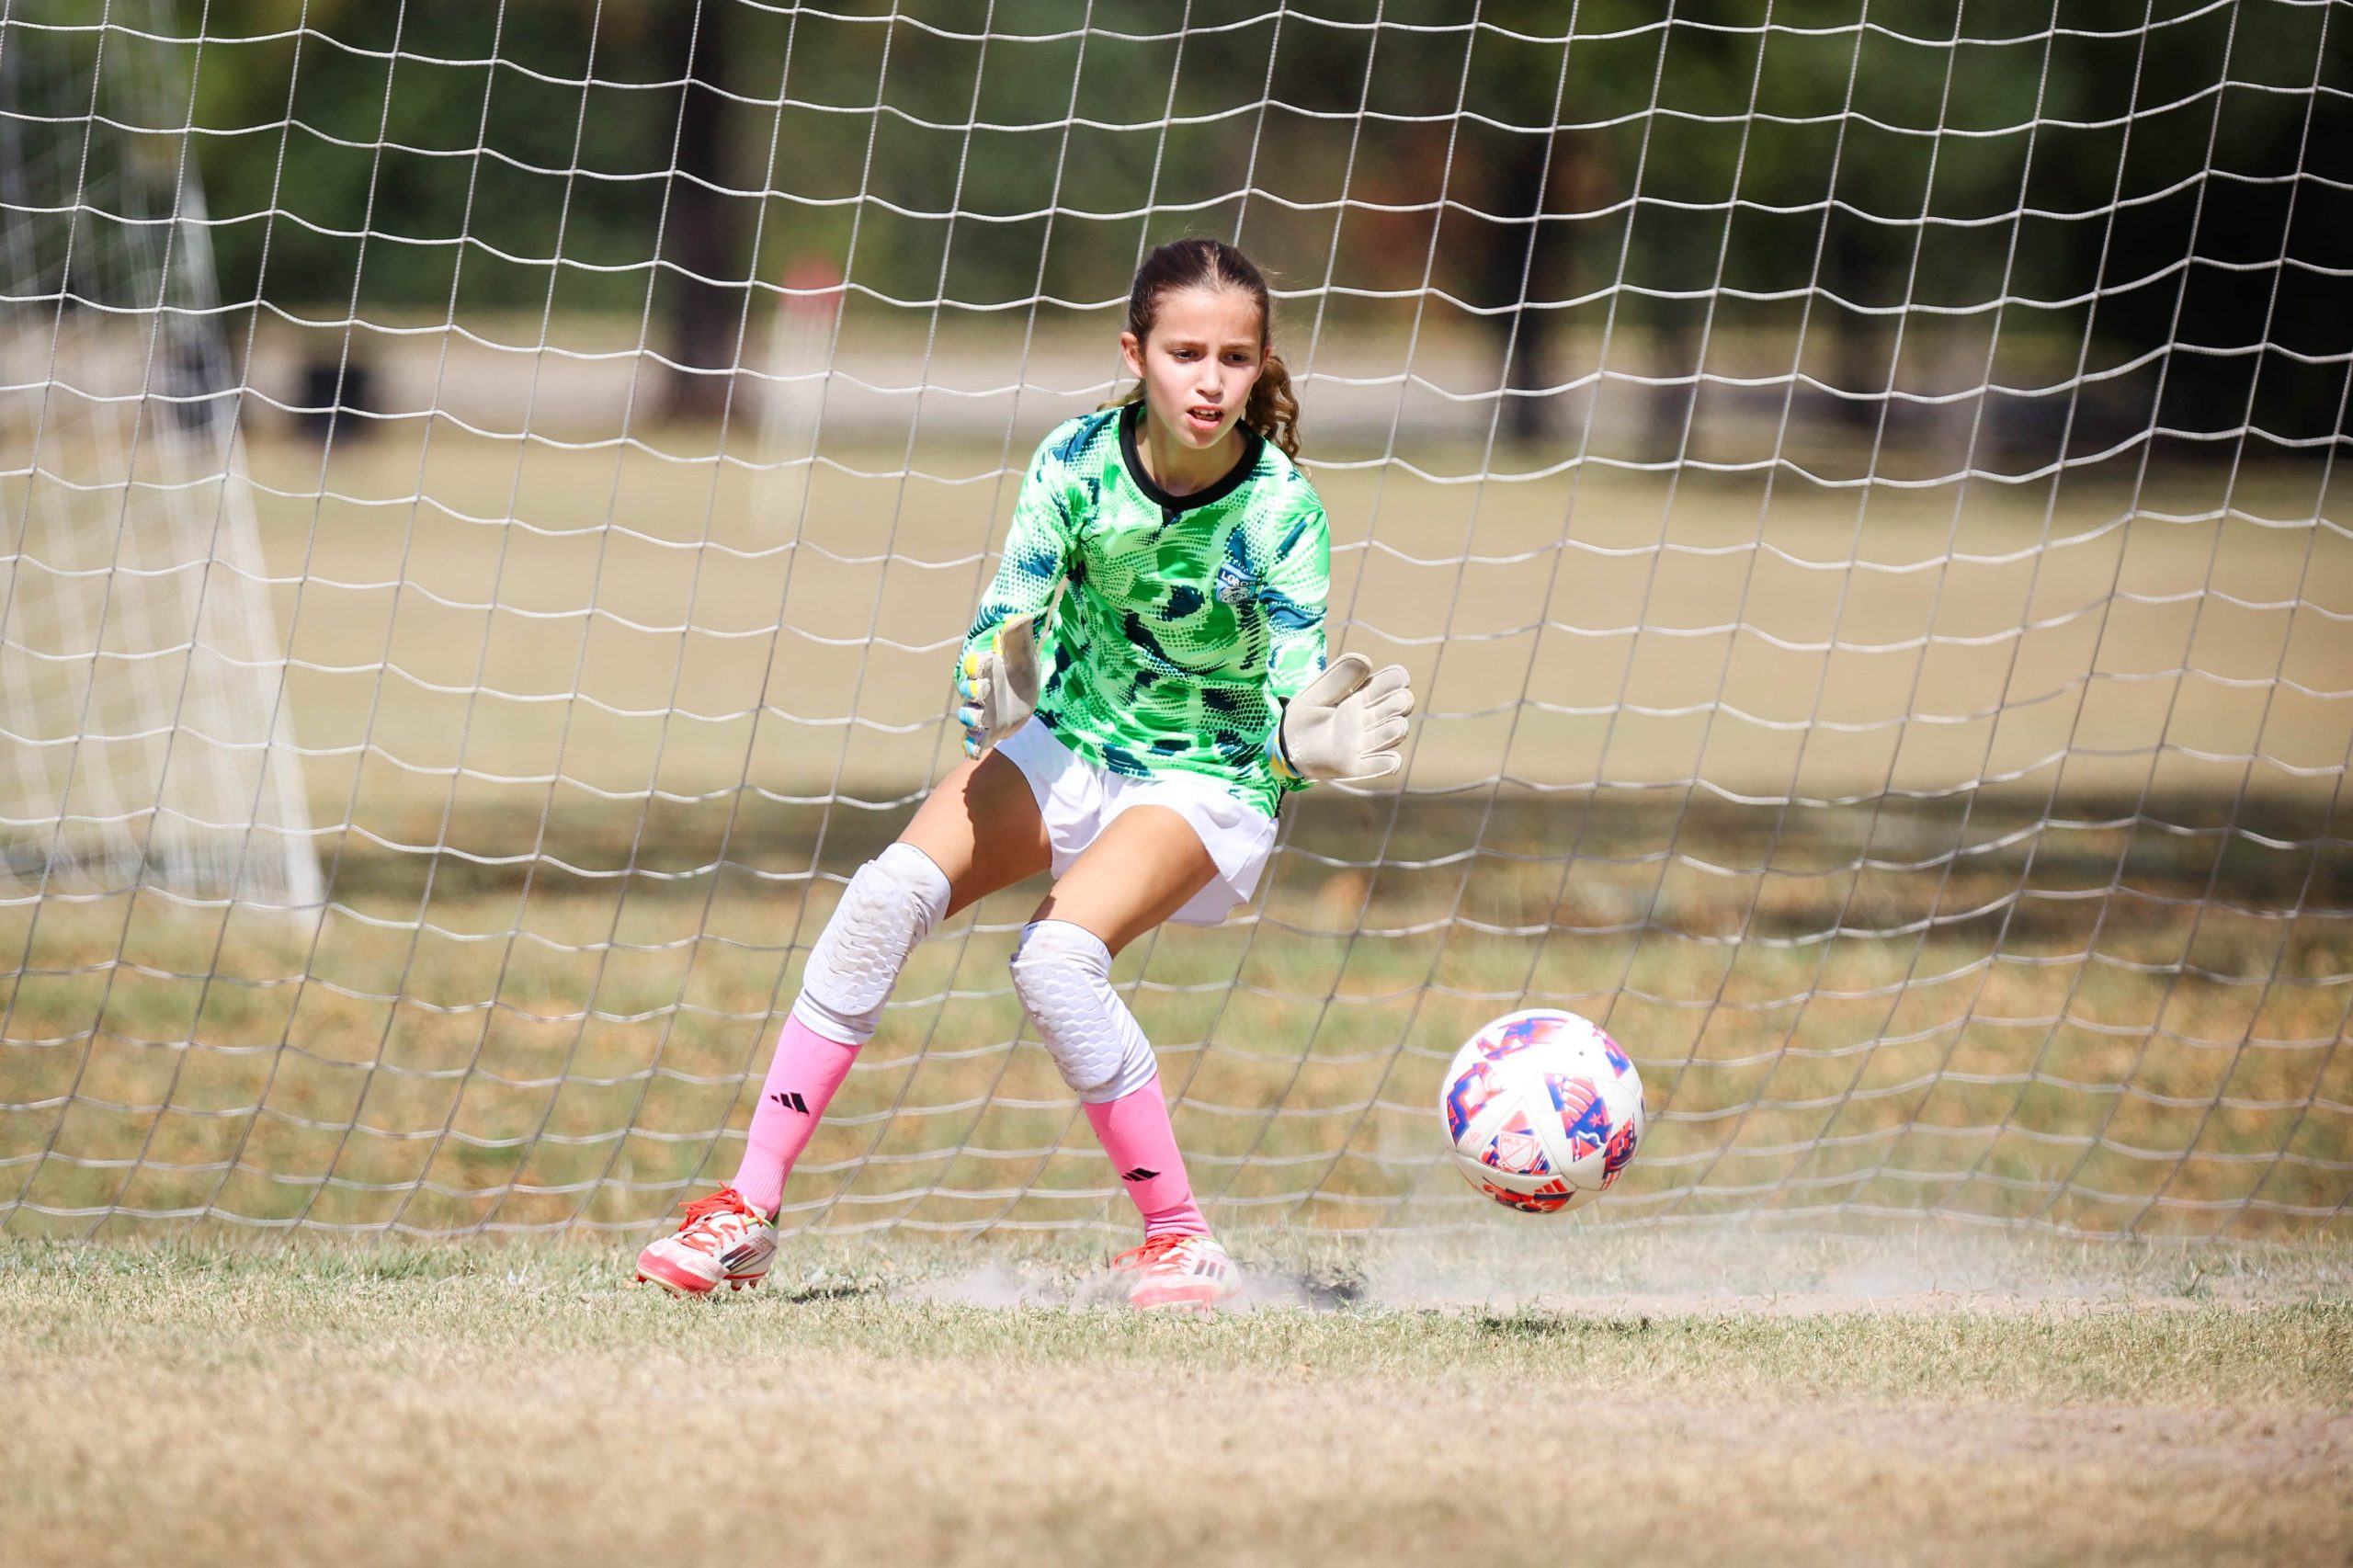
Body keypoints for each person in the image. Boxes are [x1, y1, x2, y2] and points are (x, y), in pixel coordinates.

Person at [634, 237, 1415, 1311]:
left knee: (1054, 962)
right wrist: (992, 679)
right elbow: (1007, 620)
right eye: (1185, 353)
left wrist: (1296, 744)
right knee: (883, 897)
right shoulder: (1075, 462)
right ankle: (745, 1208)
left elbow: (1291, 691)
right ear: (1135, 354)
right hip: (1072, 741)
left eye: (1234, 358)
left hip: (1208, 773)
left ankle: (1181, 1240)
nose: (1209, 380)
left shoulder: (1281, 509)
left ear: (1261, 365)